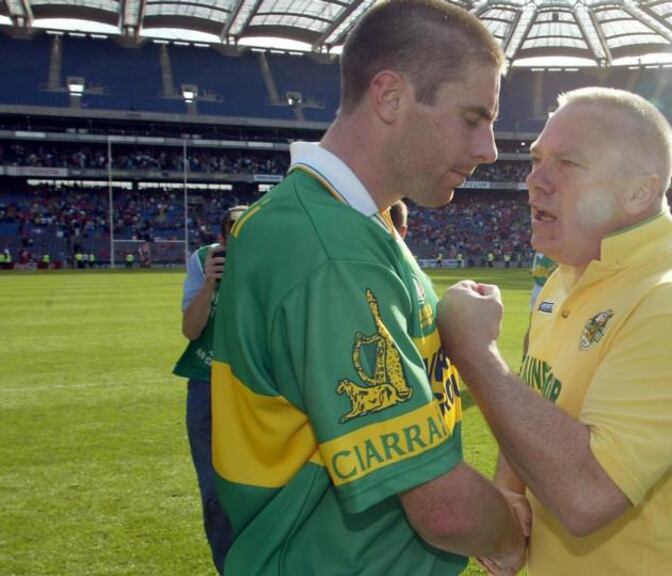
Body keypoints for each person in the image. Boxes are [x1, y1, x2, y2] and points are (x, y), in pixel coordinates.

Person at [210, 1, 525, 575]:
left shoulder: (349, 222)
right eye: (473, 118)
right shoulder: (331, 253)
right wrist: (508, 537)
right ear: (390, 96)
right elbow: (445, 509)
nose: (490, 149)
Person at [438, 87, 672, 576]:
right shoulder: (569, 274)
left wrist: (475, 354)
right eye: (537, 160)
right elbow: (535, 400)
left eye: (568, 164)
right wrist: (509, 494)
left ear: (639, 192)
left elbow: (589, 496)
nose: (535, 180)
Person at [172, 205, 248, 574]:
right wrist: (208, 286)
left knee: (265, 486)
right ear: (221, 238)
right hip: (207, 385)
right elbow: (190, 330)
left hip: (254, 388)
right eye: (231, 234)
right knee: (215, 493)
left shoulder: (273, 261)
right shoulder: (203, 261)